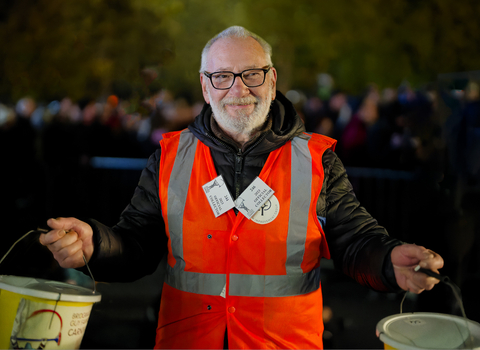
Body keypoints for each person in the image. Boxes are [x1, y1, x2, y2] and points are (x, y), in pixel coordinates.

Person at [39, 26, 444, 349]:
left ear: (271, 80)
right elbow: (137, 242)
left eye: (251, 74)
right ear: (204, 86)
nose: (238, 88)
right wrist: (96, 244)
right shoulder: (169, 155)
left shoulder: (317, 159)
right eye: (221, 76)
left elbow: (354, 240)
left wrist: (389, 260)